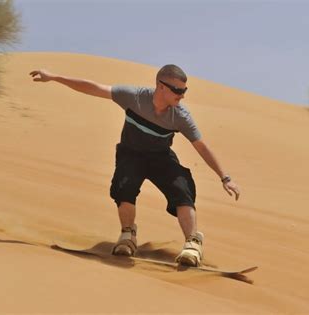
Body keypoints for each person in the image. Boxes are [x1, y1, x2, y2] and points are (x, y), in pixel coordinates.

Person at [29, 64, 240, 266]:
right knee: (124, 189)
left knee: (182, 188)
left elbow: (201, 146)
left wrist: (225, 178)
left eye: (185, 90)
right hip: (131, 154)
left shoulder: (181, 116)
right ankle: (128, 235)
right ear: (160, 86)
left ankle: (193, 243)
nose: (182, 95)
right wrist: (54, 77)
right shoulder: (134, 97)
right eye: (177, 89)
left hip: (161, 157)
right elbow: (94, 87)